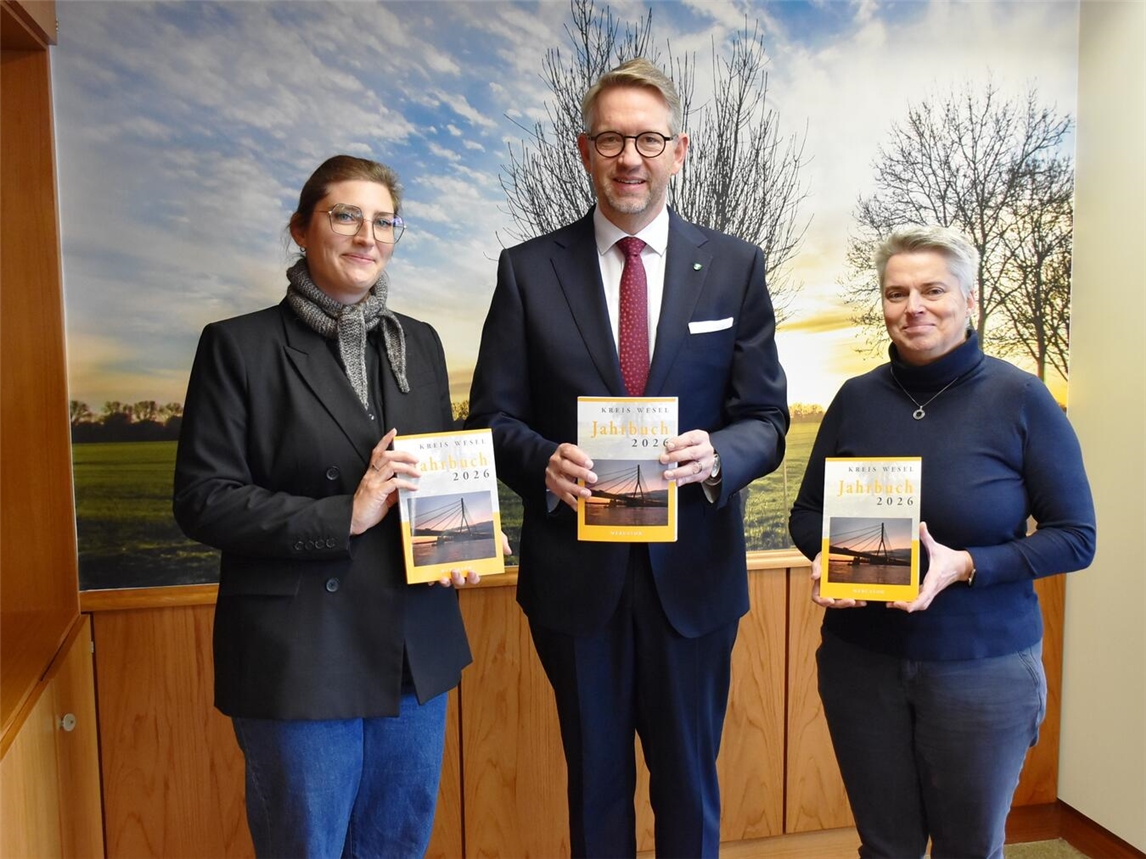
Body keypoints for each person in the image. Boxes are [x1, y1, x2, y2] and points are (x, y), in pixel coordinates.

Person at [465, 58, 789, 858]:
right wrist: (542, 461)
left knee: (689, 786)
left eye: (648, 139)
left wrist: (719, 453)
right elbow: (491, 418)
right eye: (611, 139)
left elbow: (767, 419)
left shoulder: (736, 267)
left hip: (695, 583)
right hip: (578, 585)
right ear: (585, 150)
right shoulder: (527, 270)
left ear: (680, 150)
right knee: (596, 788)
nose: (630, 158)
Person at [173, 154, 478, 859]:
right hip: (303, 655)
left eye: (385, 221)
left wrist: (459, 538)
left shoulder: (421, 342)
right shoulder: (238, 346)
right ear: (301, 229)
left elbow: (434, 472)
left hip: (414, 650)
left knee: (397, 846)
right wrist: (348, 512)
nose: (368, 235)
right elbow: (203, 500)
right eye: (346, 215)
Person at [788, 225, 1096, 859]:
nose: (913, 307)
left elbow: (1075, 538)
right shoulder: (856, 398)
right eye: (896, 293)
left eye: (932, 290)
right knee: (886, 848)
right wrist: (829, 556)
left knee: (968, 849)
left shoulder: (1022, 398)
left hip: (982, 670)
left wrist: (966, 565)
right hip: (862, 664)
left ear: (969, 299)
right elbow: (807, 513)